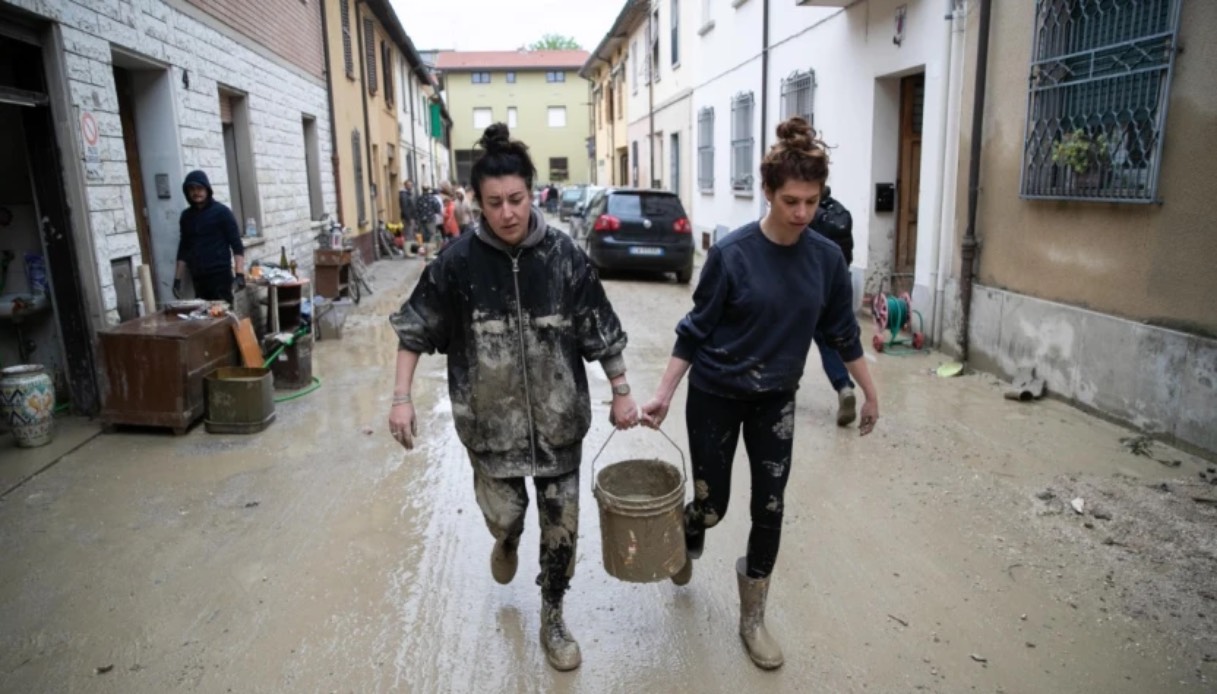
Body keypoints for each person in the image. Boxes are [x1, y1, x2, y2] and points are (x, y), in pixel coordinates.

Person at [388, 123, 642, 672]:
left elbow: (601, 329)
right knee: (506, 515)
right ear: (478, 203)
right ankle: (506, 539)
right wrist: (400, 398)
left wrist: (622, 392)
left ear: (533, 193)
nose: (508, 213)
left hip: (559, 425)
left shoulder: (564, 257)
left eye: (517, 200)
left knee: (563, 529)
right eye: (495, 203)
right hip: (490, 426)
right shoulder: (455, 265)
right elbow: (414, 330)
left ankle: (553, 612)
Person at [640, 117, 880, 670]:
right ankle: (690, 526)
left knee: (769, 507)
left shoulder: (826, 260)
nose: (801, 213)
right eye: (791, 200)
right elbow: (693, 330)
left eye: (812, 201)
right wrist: (663, 394)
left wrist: (868, 392)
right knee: (715, 503)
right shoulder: (733, 254)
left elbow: (842, 333)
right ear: (768, 192)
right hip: (716, 395)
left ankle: (753, 618)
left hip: (776, 399)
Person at [808, 186, 858, 426]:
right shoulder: (841, 213)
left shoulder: (808, 215)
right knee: (832, 342)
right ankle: (844, 385)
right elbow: (848, 253)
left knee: (785, 336)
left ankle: (778, 387)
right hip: (839, 283)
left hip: (811, 285)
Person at [174, 170, 245, 305]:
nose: (196, 192)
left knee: (222, 316)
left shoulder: (222, 212)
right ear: (187, 192)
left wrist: (240, 275)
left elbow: (236, 245)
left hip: (220, 276)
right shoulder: (186, 217)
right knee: (203, 316)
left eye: (199, 188)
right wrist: (178, 280)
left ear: (207, 189)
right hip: (198, 277)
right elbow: (184, 248)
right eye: (192, 189)